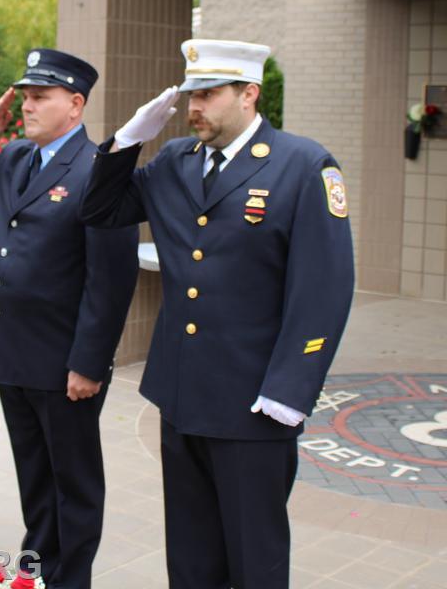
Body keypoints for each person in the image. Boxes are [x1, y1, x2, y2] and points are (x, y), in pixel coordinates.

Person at [80, 39, 355, 589]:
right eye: (190, 95)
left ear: (249, 94)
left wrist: (289, 390)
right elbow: (100, 208)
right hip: (182, 393)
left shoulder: (303, 165)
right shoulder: (175, 161)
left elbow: (324, 289)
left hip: (255, 402)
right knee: (190, 551)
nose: (193, 107)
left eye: (208, 94)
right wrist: (127, 140)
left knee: (254, 556)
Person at [0, 48, 139, 589]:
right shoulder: (13, 160)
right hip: (14, 355)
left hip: (65, 361)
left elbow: (111, 281)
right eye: (24, 96)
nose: (26, 106)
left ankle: (69, 580)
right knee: (35, 479)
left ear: (74, 105)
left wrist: (89, 363)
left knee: (72, 484)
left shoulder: (99, 169)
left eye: (39, 97)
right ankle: (39, 569)